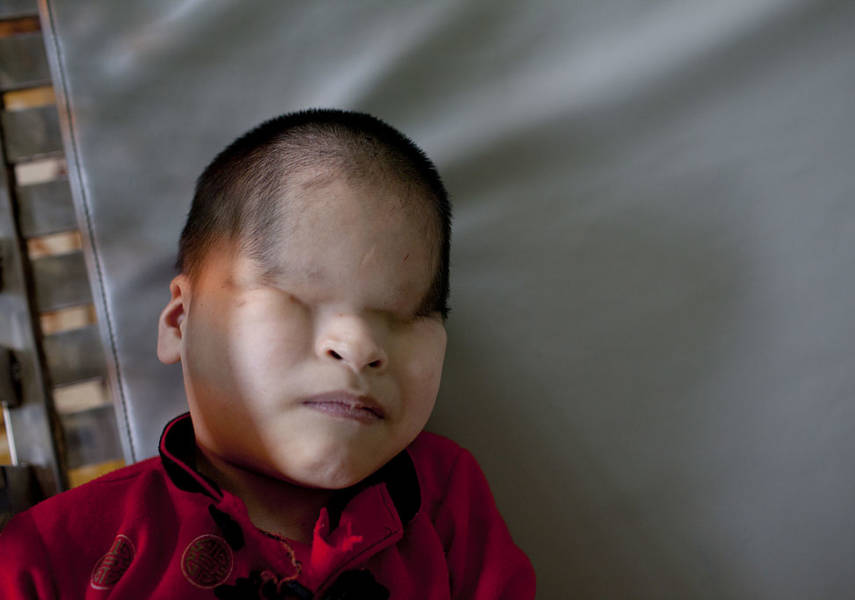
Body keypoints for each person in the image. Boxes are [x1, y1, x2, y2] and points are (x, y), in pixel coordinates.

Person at [0, 109, 535, 599]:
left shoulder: (442, 502)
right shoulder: (52, 557)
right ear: (180, 322)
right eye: (297, 298)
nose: (360, 346)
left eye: (403, 315)